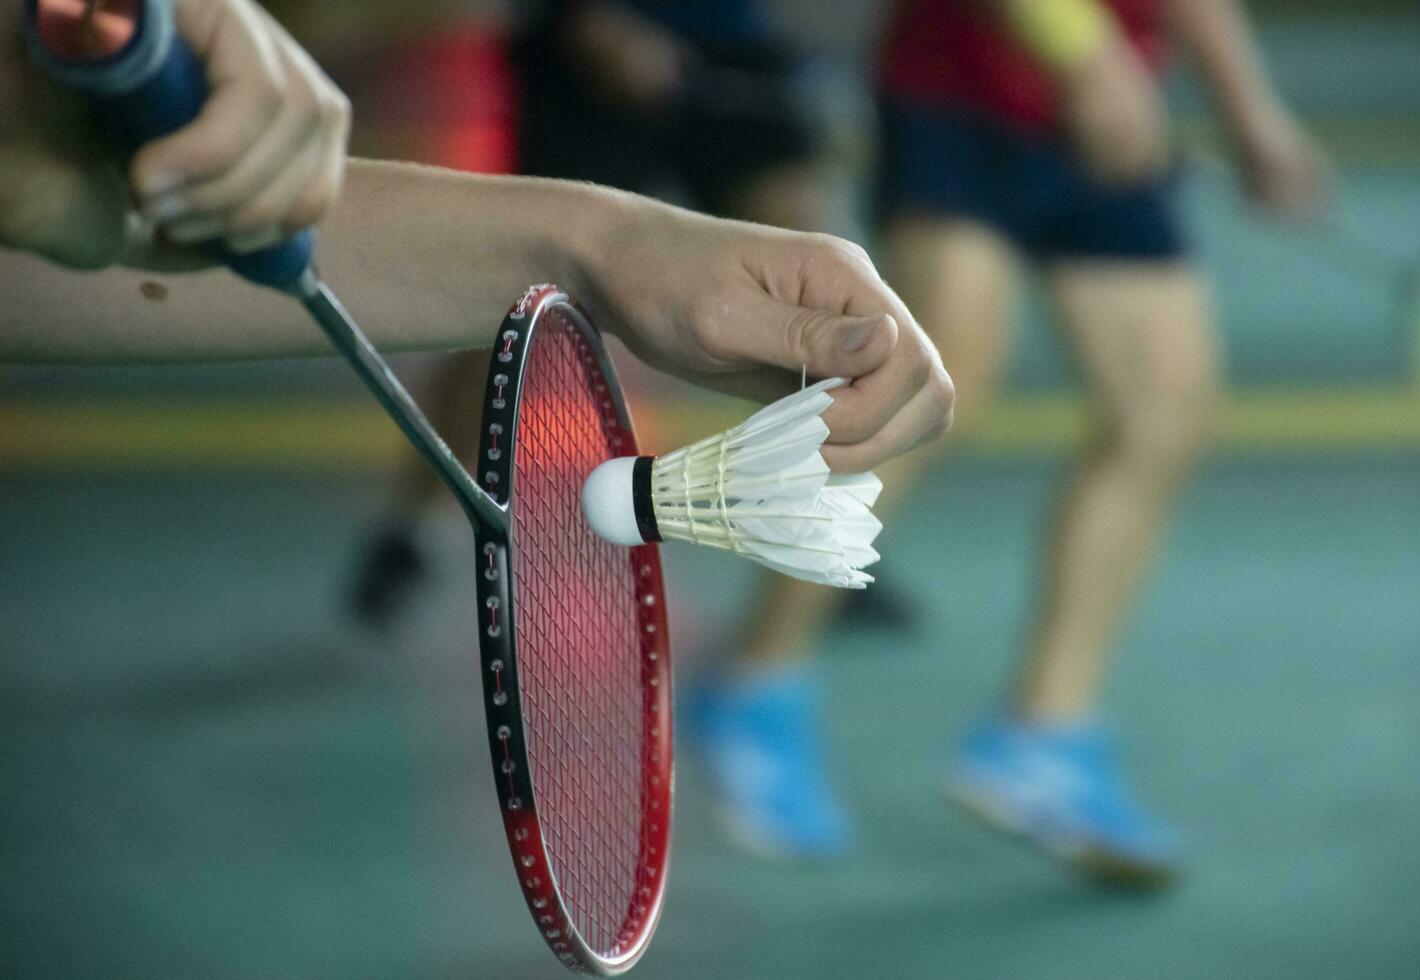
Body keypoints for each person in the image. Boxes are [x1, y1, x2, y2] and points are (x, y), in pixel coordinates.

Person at [688, 0, 1326, 883]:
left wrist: (1249, 109)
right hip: (967, 90)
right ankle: (753, 684)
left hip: (1102, 116)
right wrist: (1088, 55)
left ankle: (1044, 739)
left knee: (1166, 410)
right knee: (923, 395)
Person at [0, 0, 953, 474]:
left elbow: (62, 259)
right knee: (495, 367)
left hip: (720, 57)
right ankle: (411, 532)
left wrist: (598, 244)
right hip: (587, 58)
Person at [348, 0, 869, 627]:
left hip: (732, 50)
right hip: (585, 44)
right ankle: (415, 525)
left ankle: (836, 526)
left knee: (818, 286)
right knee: (516, 308)